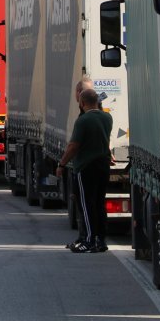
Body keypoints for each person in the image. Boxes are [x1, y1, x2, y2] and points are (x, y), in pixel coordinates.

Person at [57, 88, 112, 253]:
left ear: (81, 103)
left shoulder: (83, 121)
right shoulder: (107, 117)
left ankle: (88, 240)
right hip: (103, 164)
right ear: (98, 102)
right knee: (99, 203)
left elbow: (74, 146)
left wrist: (62, 164)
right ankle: (100, 240)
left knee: (86, 205)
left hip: (86, 166)